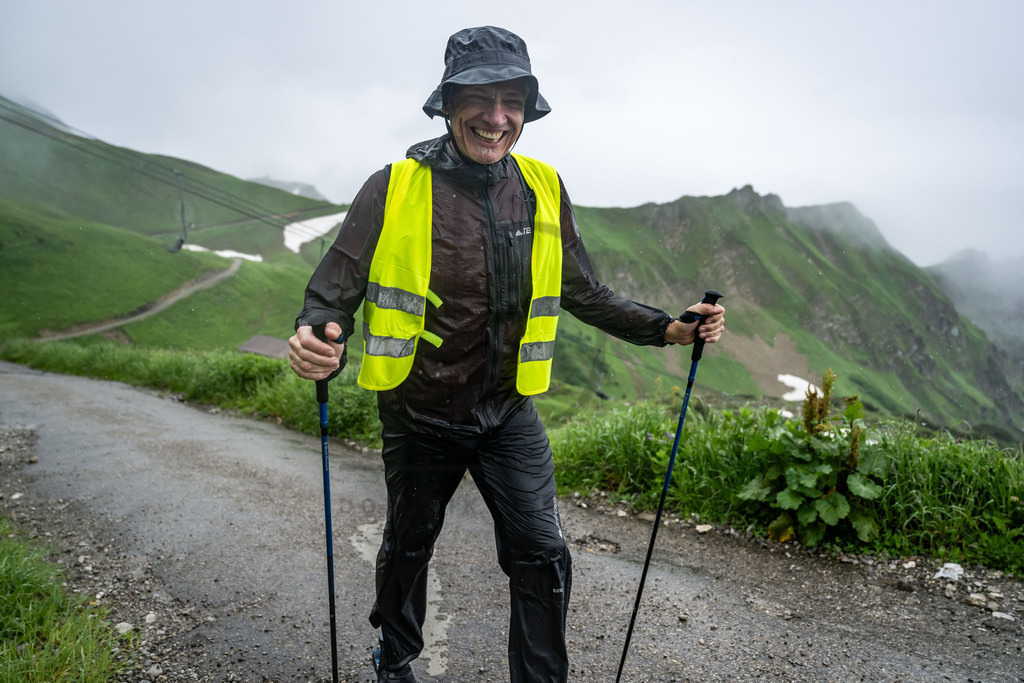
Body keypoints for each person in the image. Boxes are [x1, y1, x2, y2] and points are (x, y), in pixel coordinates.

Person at [288, 25, 725, 683]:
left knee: (542, 552)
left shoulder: (543, 186)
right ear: (448, 103)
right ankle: (395, 658)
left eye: (512, 102)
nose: (497, 118)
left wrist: (668, 329)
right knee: (409, 544)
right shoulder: (393, 187)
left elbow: (585, 291)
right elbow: (331, 294)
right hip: (419, 411)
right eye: (481, 98)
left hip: (507, 413)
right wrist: (318, 338)